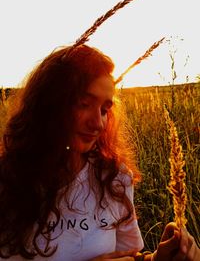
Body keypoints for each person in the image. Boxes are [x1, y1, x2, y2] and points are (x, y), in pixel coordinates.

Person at [0, 45, 199, 261]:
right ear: (49, 104)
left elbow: (129, 256)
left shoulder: (114, 177)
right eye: (84, 104)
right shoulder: (8, 181)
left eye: (104, 110)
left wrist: (159, 258)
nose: (98, 123)